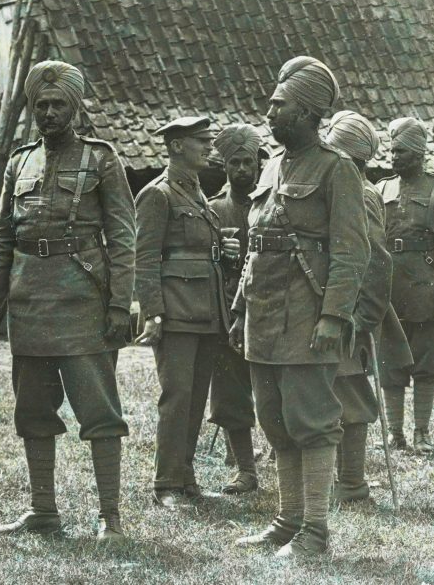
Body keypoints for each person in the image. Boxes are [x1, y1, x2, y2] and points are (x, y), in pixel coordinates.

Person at [0, 60, 136, 541]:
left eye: (58, 104)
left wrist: (119, 305)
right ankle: (43, 511)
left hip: (84, 303)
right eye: (40, 105)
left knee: (100, 412)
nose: (48, 112)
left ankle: (110, 517)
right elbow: (1, 238)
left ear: (75, 107)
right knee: (33, 411)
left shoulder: (102, 159)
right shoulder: (18, 162)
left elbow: (123, 238)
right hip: (28, 305)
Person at [230, 57, 369, 557]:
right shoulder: (271, 165)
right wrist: (240, 306)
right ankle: (287, 523)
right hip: (263, 313)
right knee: (274, 419)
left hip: (308, 315)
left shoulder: (338, 169)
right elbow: (256, 244)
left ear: (308, 112)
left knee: (311, 421)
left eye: (278, 104)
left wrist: (334, 315)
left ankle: (315, 532)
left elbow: (353, 251)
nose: (268, 112)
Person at [134, 116, 238, 506]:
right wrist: (153, 312)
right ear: (176, 146)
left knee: (195, 398)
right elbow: (144, 258)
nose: (209, 147)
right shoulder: (156, 195)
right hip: (176, 311)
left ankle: (186, 478)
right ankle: (165, 484)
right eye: (201, 141)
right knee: (177, 397)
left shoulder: (196, 193)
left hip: (206, 310)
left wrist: (222, 252)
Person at [323, 110, 410, 503]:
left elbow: (377, 262)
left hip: (352, 315)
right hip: (328, 306)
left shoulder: (362, 194)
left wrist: (362, 320)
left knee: (351, 396)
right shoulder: (332, 187)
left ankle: (352, 483)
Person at [377, 118, 434, 453]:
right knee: (391, 364)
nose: (395, 157)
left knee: (426, 365)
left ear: (420, 154)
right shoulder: (382, 188)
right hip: (390, 289)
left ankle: (421, 432)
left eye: (403, 152)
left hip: (426, 289)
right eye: (393, 150)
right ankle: (395, 433)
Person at [207, 123, 265, 494]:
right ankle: (245, 467)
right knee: (230, 389)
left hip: (271, 307)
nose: (243, 170)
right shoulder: (213, 210)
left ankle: (281, 451)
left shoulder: (274, 203)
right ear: (225, 167)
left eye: (249, 162)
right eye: (235, 163)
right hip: (229, 309)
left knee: (276, 387)